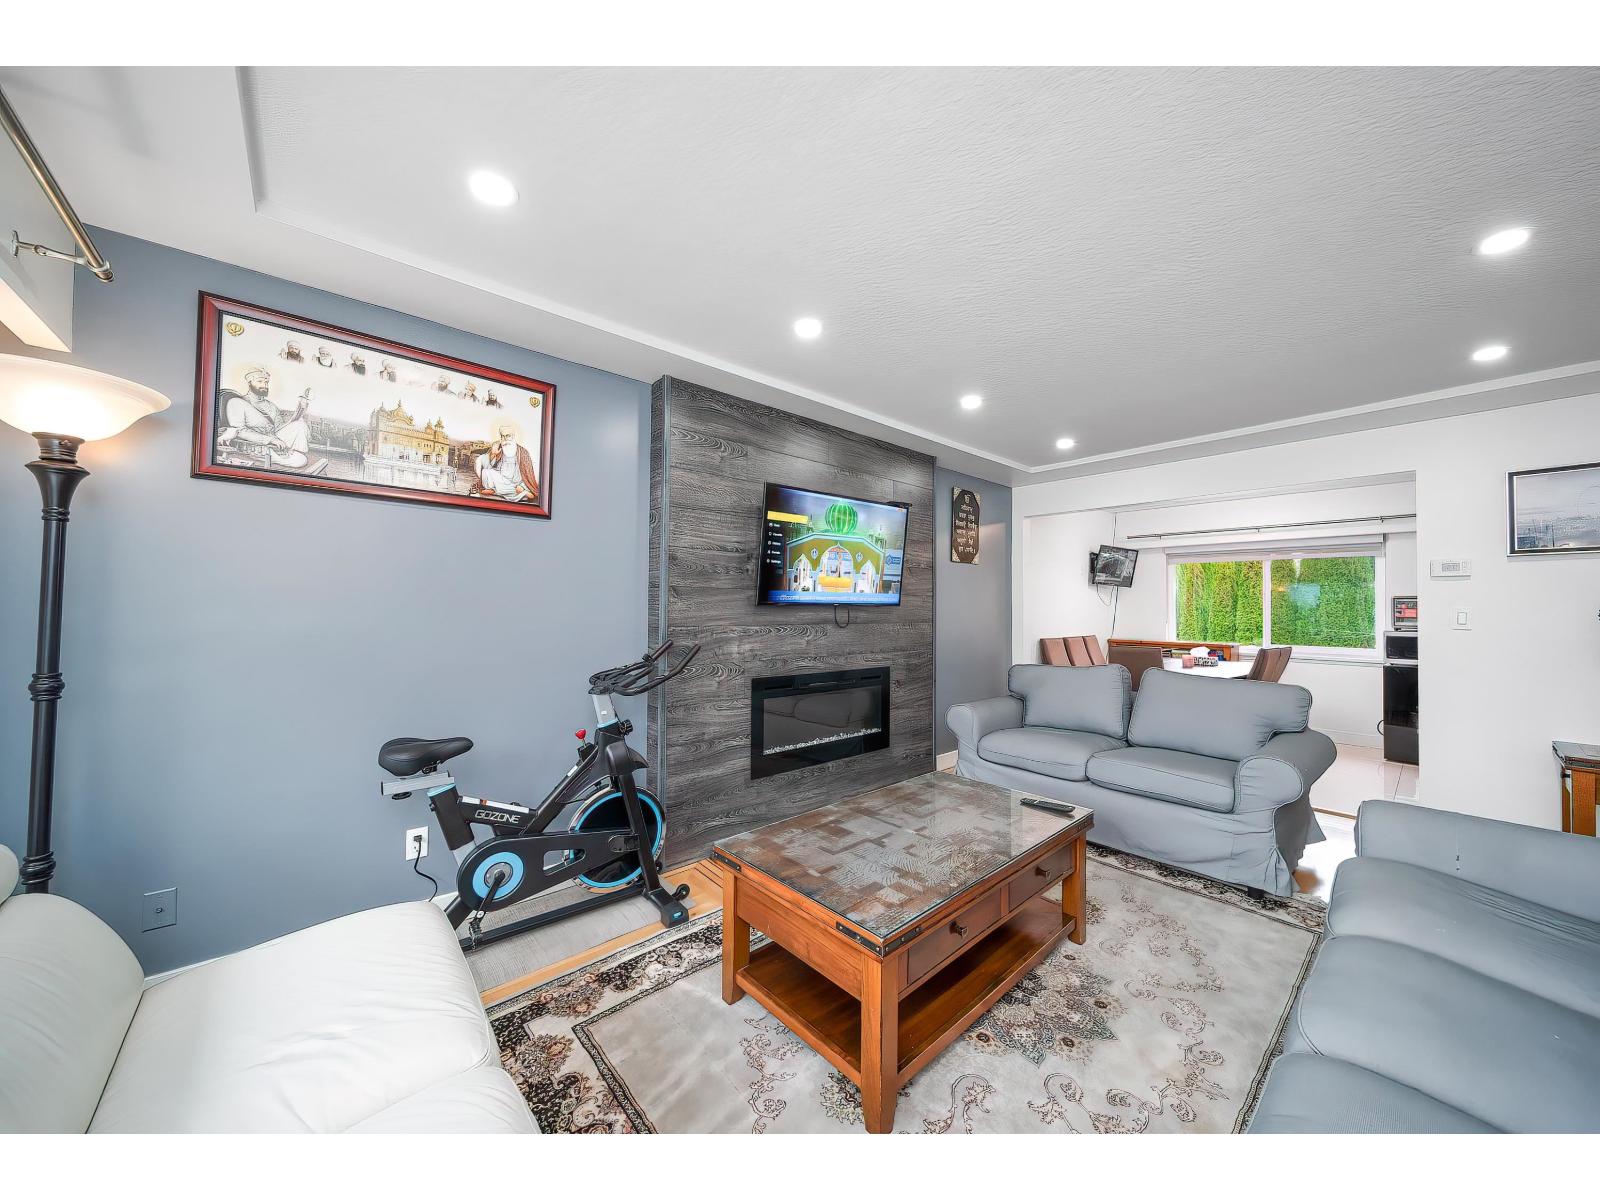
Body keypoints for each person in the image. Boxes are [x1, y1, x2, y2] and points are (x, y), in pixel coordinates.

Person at [216, 366, 282, 450]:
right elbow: (239, 431)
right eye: (260, 381)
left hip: (277, 445)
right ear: (250, 383)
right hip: (253, 447)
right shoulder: (237, 402)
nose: (264, 385)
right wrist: (270, 440)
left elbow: (279, 430)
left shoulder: (272, 406)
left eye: (266, 382)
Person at [471, 423, 539, 503]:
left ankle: (502, 491)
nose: (505, 439)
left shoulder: (523, 453)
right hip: (501, 479)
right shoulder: (500, 449)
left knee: (517, 488)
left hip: (516, 483)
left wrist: (522, 486)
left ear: (513, 436)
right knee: (485, 472)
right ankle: (503, 491)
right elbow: (491, 466)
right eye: (502, 436)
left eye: (508, 436)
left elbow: (528, 475)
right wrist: (493, 454)